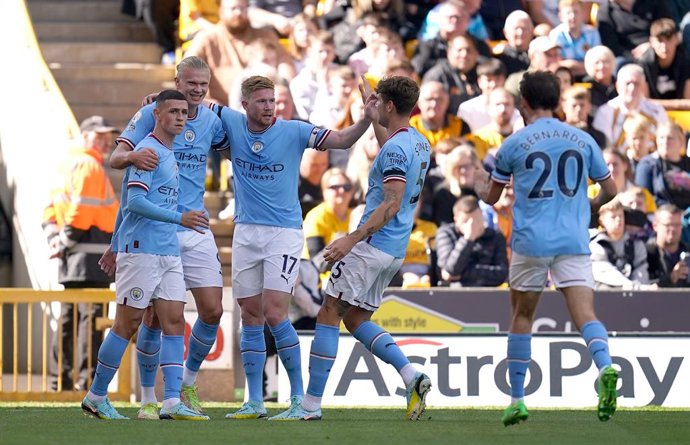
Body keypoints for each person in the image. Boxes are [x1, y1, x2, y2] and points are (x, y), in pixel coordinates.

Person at [211, 75, 379, 419]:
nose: (270, 107)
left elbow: (343, 140)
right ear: (245, 105)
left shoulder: (294, 130)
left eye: (272, 101)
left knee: (275, 312)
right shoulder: (229, 120)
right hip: (245, 231)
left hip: (283, 233)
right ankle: (254, 401)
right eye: (261, 101)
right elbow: (193, 101)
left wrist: (365, 118)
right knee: (250, 315)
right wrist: (158, 99)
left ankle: (301, 400)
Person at [268, 75, 432, 421]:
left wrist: (350, 239)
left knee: (328, 312)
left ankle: (309, 406)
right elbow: (393, 154)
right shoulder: (418, 142)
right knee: (356, 319)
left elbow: (391, 203)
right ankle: (410, 375)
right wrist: (373, 118)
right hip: (394, 250)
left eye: (380, 103)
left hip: (371, 244)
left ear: (390, 105)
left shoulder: (396, 149)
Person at [474, 70, 620, 426]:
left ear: (523, 102)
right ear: (557, 102)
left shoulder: (513, 143)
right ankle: (605, 366)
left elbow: (492, 198)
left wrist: (479, 183)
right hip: (573, 238)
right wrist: (591, 208)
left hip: (530, 241)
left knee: (522, 317)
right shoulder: (582, 139)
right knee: (586, 314)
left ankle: (517, 399)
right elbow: (612, 190)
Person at [104, 56, 230, 418]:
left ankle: (184, 386)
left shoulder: (211, 118)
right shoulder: (153, 114)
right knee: (152, 319)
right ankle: (147, 397)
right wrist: (131, 157)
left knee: (211, 309)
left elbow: (242, 141)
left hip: (195, 227)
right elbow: (118, 163)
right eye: (191, 82)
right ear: (177, 80)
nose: (197, 90)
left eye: (203, 84)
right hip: (157, 231)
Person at [82, 90, 211, 420]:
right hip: (141, 251)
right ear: (157, 115)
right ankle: (96, 396)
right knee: (127, 324)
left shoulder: (168, 153)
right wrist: (179, 218)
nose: (180, 117)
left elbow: (128, 203)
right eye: (173, 112)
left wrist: (114, 241)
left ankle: (171, 401)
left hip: (167, 250)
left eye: (184, 112)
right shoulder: (147, 151)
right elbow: (135, 203)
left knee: (174, 321)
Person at [43, 116, 121, 392]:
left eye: (108, 136)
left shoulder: (65, 165)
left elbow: (50, 210)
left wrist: (57, 241)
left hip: (72, 256)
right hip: (92, 254)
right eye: (99, 136)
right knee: (91, 320)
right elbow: (82, 212)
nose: (105, 142)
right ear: (85, 136)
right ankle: (87, 381)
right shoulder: (89, 165)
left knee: (69, 318)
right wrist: (64, 241)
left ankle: (59, 382)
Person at [435, 195, 508, 287]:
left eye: (476, 220)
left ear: (482, 215)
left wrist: (464, 273)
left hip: (488, 292)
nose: (472, 226)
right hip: (455, 292)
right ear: (456, 219)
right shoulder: (446, 233)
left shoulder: (495, 236)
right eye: (466, 221)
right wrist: (468, 239)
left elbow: (502, 273)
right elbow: (451, 269)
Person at [590, 198, 651, 289]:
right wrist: (630, 286)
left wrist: (639, 288)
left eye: (620, 216)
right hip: (605, 296)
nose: (618, 220)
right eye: (613, 217)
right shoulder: (596, 246)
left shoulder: (636, 245)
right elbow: (604, 273)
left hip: (636, 295)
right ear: (601, 221)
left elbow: (641, 271)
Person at [646, 204, 690, 287]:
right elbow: (641, 286)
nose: (673, 229)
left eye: (677, 225)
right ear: (655, 226)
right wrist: (671, 278)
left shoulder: (688, 250)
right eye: (668, 225)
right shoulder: (646, 253)